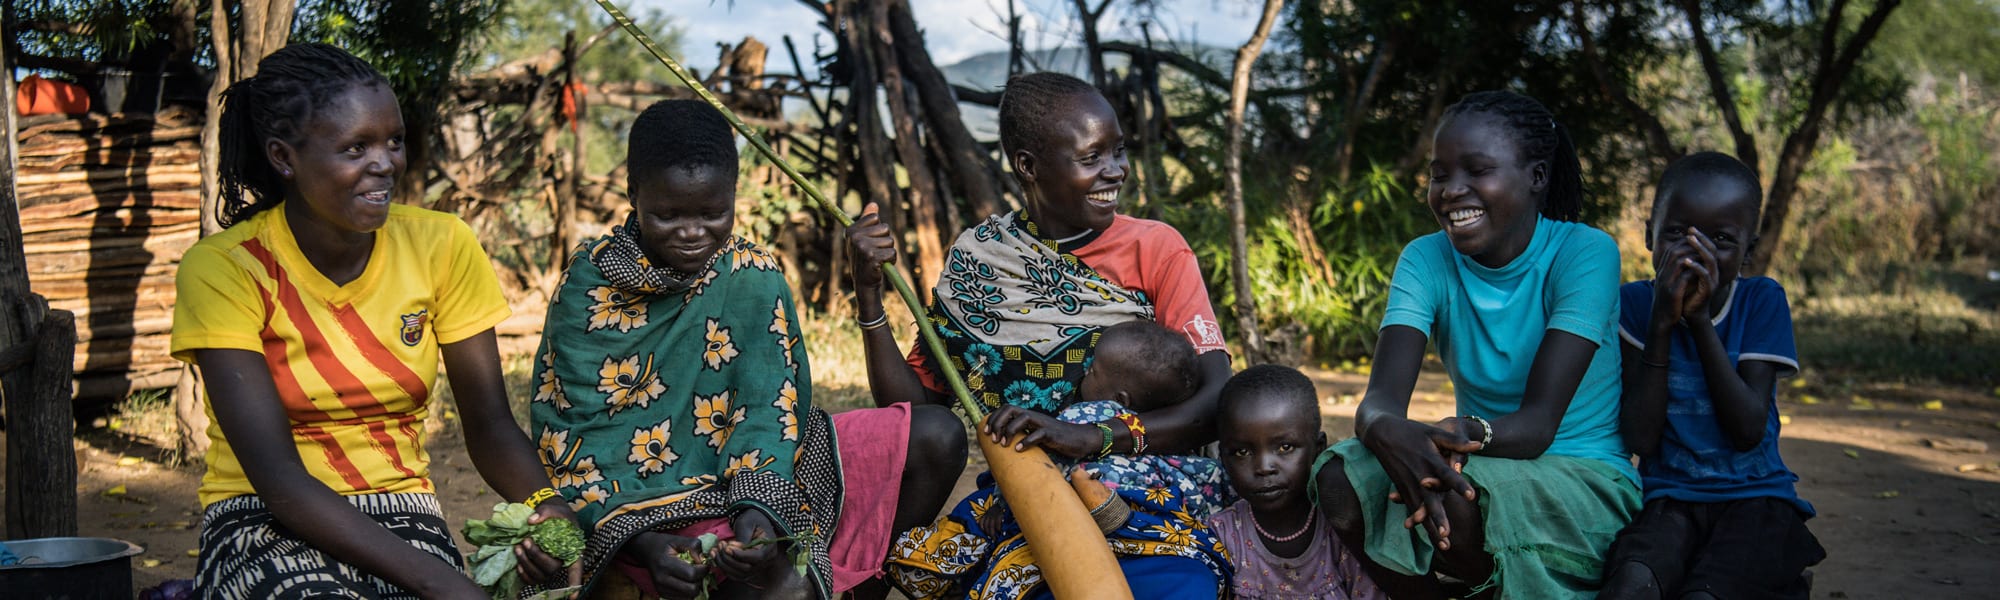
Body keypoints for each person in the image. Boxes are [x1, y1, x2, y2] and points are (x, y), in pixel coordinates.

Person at [170, 43, 575, 599]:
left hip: (400, 510)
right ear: (284, 157)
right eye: (355, 147)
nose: (385, 162)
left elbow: (488, 424)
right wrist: (446, 584)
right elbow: (279, 480)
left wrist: (546, 506)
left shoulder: (440, 245)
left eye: (393, 141)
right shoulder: (225, 269)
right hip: (258, 515)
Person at [527, 99, 966, 600]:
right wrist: (647, 544)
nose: (693, 233)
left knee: (935, 435)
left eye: (713, 213)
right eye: (668, 215)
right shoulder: (590, 284)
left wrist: (760, 513)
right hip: (634, 507)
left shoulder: (751, 274)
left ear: (734, 196)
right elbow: (572, 444)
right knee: (776, 588)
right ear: (632, 195)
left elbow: (769, 410)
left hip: (754, 474)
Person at [850, 72, 1233, 598]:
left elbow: (1217, 398)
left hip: (1150, 496)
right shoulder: (982, 264)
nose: (1115, 171)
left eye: (1119, 152)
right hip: (1029, 502)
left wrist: (1092, 437)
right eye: (1091, 157)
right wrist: (869, 298)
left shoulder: (1157, 249)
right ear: (1028, 166)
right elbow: (915, 412)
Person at [1312, 90, 1639, 600]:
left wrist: (1443, 438)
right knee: (1339, 478)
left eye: (1476, 170)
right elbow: (1379, 403)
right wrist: (1388, 431)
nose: (1451, 191)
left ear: (1536, 176)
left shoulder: (1584, 253)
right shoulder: (1425, 259)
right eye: (1439, 174)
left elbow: (1536, 428)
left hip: (1580, 471)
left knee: (1451, 493)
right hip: (1474, 460)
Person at [1599, 152, 1824, 600]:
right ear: (1649, 235)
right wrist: (1662, 325)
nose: (1694, 253)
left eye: (1720, 239)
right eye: (1678, 234)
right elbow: (1641, 439)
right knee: (1631, 586)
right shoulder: (1635, 307)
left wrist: (1699, 323)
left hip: (1756, 498)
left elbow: (1747, 430)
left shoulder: (1761, 300)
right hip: (1669, 499)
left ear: (1748, 252)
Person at [1208, 365, 1382, 600]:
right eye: (1241, 452)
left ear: (1318, 449)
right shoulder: (1222, 535)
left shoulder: (1341, 530)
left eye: (1284, 447)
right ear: (1223, 458)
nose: (1264, 467)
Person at [1077, 320, 1201, 413]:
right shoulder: (1167, 436)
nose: (1086, 369)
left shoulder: (1082, 419)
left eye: (1093, 370)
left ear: (1119, 400)